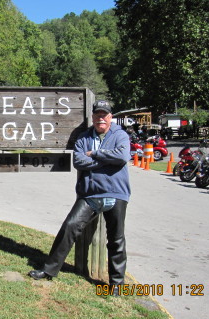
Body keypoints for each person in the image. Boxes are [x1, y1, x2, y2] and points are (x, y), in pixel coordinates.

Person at [28, 100, 131, 294]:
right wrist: (105, 160)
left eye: (105, 115)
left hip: (116, 193)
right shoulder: (84, 138)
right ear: (92, 117)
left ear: (110, 117)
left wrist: (95, 154)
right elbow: (79, 161)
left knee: (116, 239)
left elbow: (122, 157)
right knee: (70, 226)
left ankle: (117, 284)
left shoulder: (120, 135)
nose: (101, 118)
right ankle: (49, 270)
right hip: (90, 194)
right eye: (97, 115)